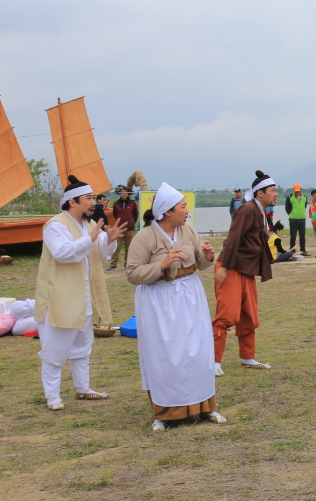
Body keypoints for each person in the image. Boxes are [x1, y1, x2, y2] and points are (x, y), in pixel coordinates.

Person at [126, 183, 225, 431]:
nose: (187, 210)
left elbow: (199, 263)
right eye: (183, 207)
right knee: (166, 353)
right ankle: (165, 413)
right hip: (159, 301)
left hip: (190, 297)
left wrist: (208, 256)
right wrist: (162, 264)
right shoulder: (145, 236)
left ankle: (206, 407)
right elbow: (133, 274)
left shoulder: (188, 231)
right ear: (167, 212)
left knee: (197, 350)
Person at [34, 176, 126, 411]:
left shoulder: (87, 225)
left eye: (94, 198)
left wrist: (110, 240)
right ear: (72, 202)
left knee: (82, 346)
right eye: (88, 198)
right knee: (55, 349)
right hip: (60, 296)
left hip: (83, 296)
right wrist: (93, 236)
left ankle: (83, 388)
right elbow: (63, 253)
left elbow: (101, 255)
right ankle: (52, 396)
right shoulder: (55, 225)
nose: (93, 203)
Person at [213, 170, 276, 375]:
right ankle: (213, 361)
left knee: (249, 316)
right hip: (231, 267)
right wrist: (222, 266)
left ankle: (248, 357)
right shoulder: (247, 209)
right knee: (227, 316)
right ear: (260, 193)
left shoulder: (260, 210)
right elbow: (233, 238)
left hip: (246, 270)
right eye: (273, 191)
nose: (276, 194)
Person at [108, 185, 139, 270]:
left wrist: (131, 222)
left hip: (129, 228)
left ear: (128, 193)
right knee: (116, 246)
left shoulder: (133, 204)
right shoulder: (116, 204)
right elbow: (115, 214)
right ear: (119, 194)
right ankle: (113, 264)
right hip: (119, 229)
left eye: (125, 192)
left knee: (128, 247)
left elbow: (136, 214)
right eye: (122, 192)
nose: (124, 194)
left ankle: (127, 264)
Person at [285, 183, 309, 257]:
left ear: (301, 190)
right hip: (293, 220)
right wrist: (291, 214)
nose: (297, 192)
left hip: (302, 219)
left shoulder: (304, 197)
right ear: (293, 190)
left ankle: (303, 250)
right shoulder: (289, 197)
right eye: (296, 191)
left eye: (298, 191)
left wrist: (301, 214)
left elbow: (304, 206)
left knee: (302, 236)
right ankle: (292, 251)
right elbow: (287, 207)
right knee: (293, 236)